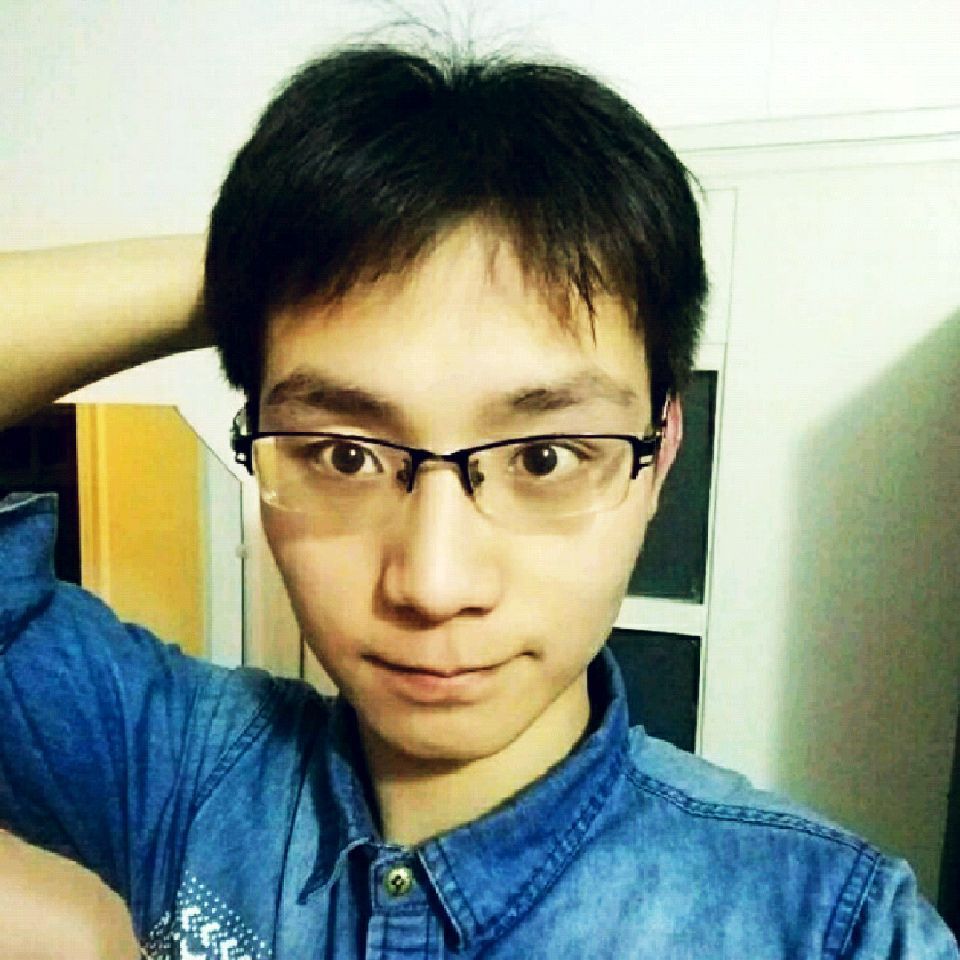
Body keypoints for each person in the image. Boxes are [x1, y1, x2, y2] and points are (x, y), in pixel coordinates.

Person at [0, 42, 956, 960]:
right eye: (345, 454)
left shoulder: (831, 929)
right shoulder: (182, 772)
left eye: (542, 457)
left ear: (658, 456)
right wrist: (271, 268)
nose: (433, 584)